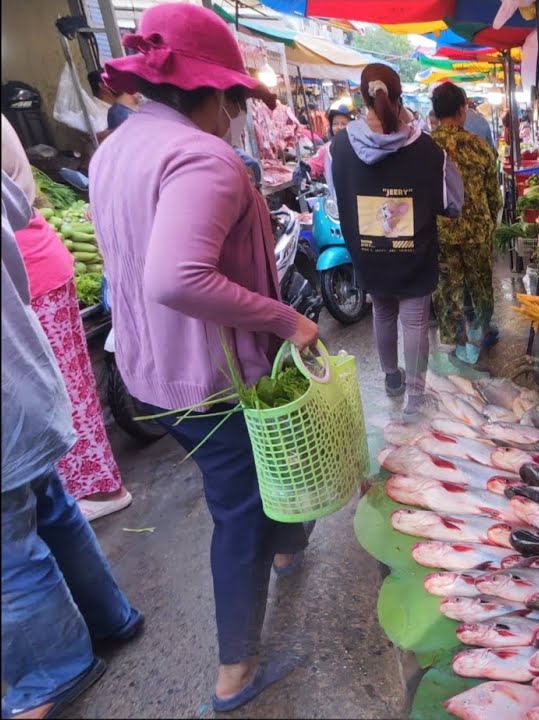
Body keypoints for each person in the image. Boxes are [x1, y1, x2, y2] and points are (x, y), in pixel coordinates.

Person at [89, 4, 320, 711]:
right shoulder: (203, 157)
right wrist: (288, 320)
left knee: (259, 476)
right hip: (208, 380)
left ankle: (288, 550)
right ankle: (234, 674)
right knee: (239, 509)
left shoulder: (117, 147)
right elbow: (176, 277)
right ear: (216, 95)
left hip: (148, 369)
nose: (237, 114)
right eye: (238, 99)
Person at [2, 170, 146, 720]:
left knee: (10, 558)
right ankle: (111, 616)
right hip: (22, 376)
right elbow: (21, 209)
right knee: (53, 509)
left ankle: (51, 673)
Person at [2, 116, 133, 521]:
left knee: (67, 390)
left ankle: (103, 489)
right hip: (36, 264)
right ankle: (91, 487)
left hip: (31, 270)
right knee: (67, 386)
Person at [327, 64, 462, 412]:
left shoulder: (337, 149)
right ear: (399, 99)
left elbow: (336, 200)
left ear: (362, 98)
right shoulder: (430, 152)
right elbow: (453, 204)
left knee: (382, 312)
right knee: (414, 320)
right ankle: (415, 397)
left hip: (369, 255)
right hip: (413, 256)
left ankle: (391, 377)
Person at [429, 82, 502, 365]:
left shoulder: (426, 148)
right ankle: (481, 332)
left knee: (448, 287)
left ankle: (457, 340)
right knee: (481, 285)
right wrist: (490, 226)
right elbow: (494, 196)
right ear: (462, 111)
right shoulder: (479, 147)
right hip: (476, 230)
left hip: (441, 231)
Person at [305, 107, 352, 180]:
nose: (338, 127)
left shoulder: (359, 145)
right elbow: (311, 166)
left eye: (343, 124)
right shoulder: (327, 148)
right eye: (335, 124)